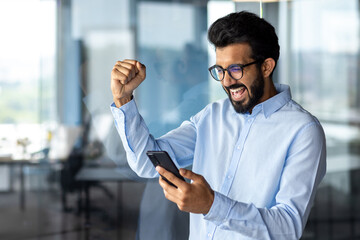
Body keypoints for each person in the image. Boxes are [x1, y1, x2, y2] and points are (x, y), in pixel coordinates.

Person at [110, 11, 326, 240]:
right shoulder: (212, 116)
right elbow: (145, 163)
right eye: (220, 70)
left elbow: (288, 227)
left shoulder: (304, 131)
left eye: (235, 69)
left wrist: (213, 206)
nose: (226, 81)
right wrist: (124, 100)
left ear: (266, 67)